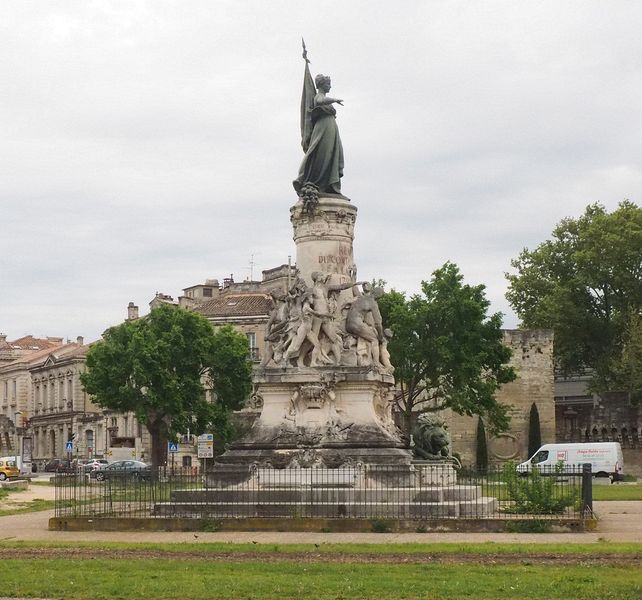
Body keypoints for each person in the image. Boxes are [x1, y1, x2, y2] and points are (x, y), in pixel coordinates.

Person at [294, 74, 345, 197]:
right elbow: (320, 101)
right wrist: (334, 100)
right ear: (322, 85)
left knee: (333, 153)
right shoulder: (319, 96)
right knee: (323, 153)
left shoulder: (323, 97)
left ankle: (329, 184)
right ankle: (315, 182)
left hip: (330, 128)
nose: (330, 86)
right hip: (323, 129)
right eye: (328, 84)